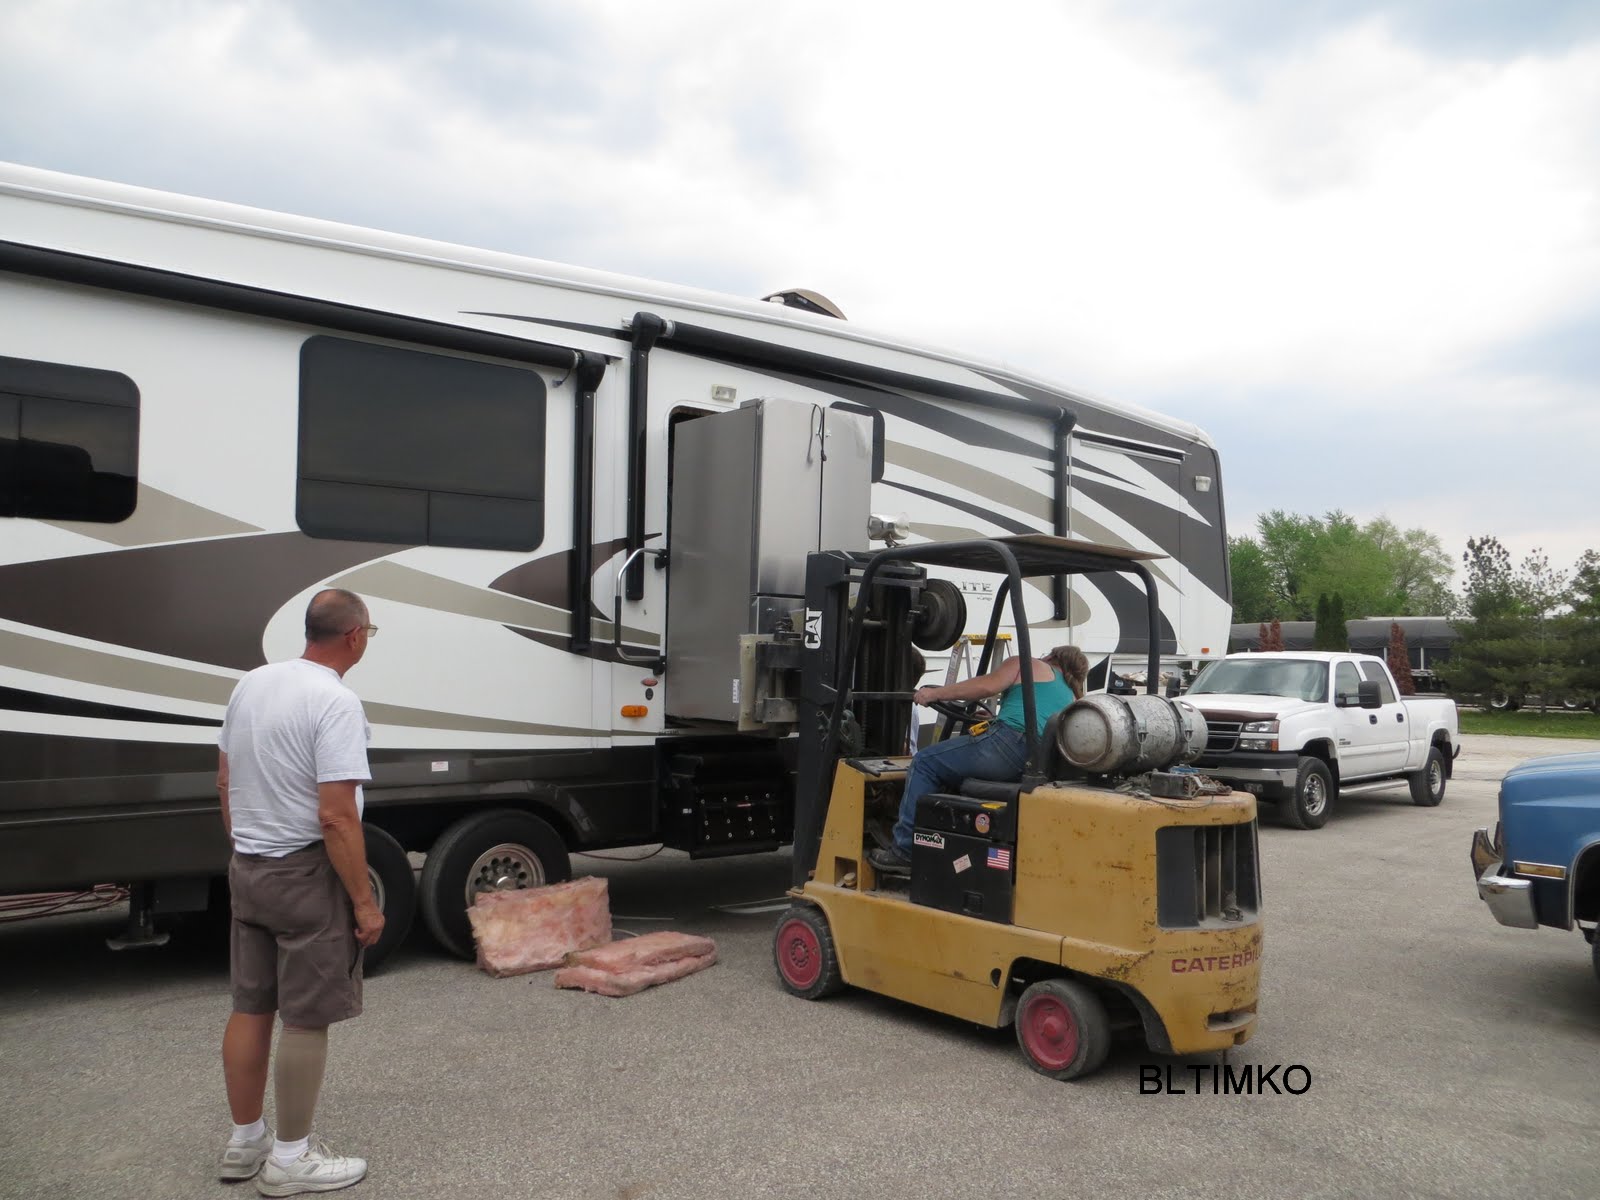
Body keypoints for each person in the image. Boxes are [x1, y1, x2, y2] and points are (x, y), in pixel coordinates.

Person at [215, 589, 383, 1196]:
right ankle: (290, 1161)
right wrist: (364, 902)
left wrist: (246, 844)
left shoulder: (252, 684)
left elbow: (226, 776)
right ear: (355, 636)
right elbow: (338, 816)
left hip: (250, 867)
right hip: (304, 873)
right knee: (307, 1019)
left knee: (251, 1005)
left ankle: (245, 1141)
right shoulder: (335, 701)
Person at [868, 644, 1088, 876]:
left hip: (1006, 746)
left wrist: (934, 694)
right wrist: (994, 719)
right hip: (1033, 762)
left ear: (1051, 656)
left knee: (924, 762)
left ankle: (903, 852)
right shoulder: (1070, 694)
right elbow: (1033, 720)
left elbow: (985, 686)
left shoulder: (1029, 663)